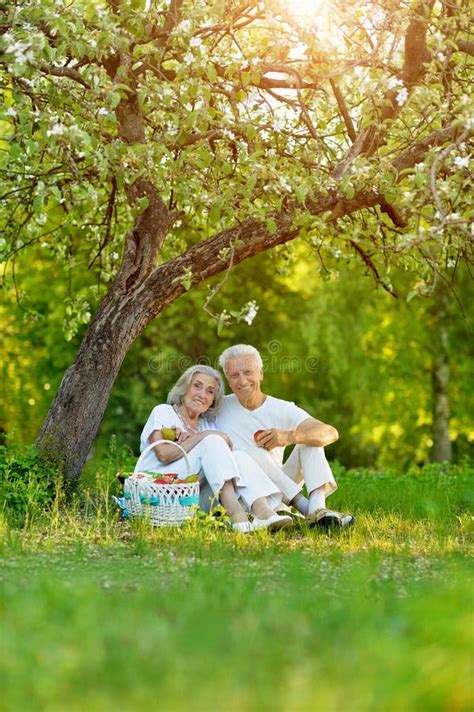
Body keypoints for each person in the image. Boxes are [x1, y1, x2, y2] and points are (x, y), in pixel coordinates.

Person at [135, 364, 293, 532]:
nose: (202, 395)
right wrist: (203, 436)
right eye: (197, 386)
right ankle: (238, 517)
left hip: (191, 499)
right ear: (184, 388)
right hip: (158, 493)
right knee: (212, 439)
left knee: (238, 456)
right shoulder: (164, 412)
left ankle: (264, 513)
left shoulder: (207, 425)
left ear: (213, 401)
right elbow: (164, 454)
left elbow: (227, 464)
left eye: (210, 391)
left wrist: (207, 436)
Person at [216, 344, 355, 528]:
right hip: (245, 494)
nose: (242, 381)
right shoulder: (217, 407)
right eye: (234, 375)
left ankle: (317, 507)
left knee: (310, 439)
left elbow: (330, 432)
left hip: (279, 489)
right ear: (228, 379)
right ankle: (307, 509)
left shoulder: (281, 408)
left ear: (261, 374)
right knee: (248, 453)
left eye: (248, 372)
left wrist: (288, 437)